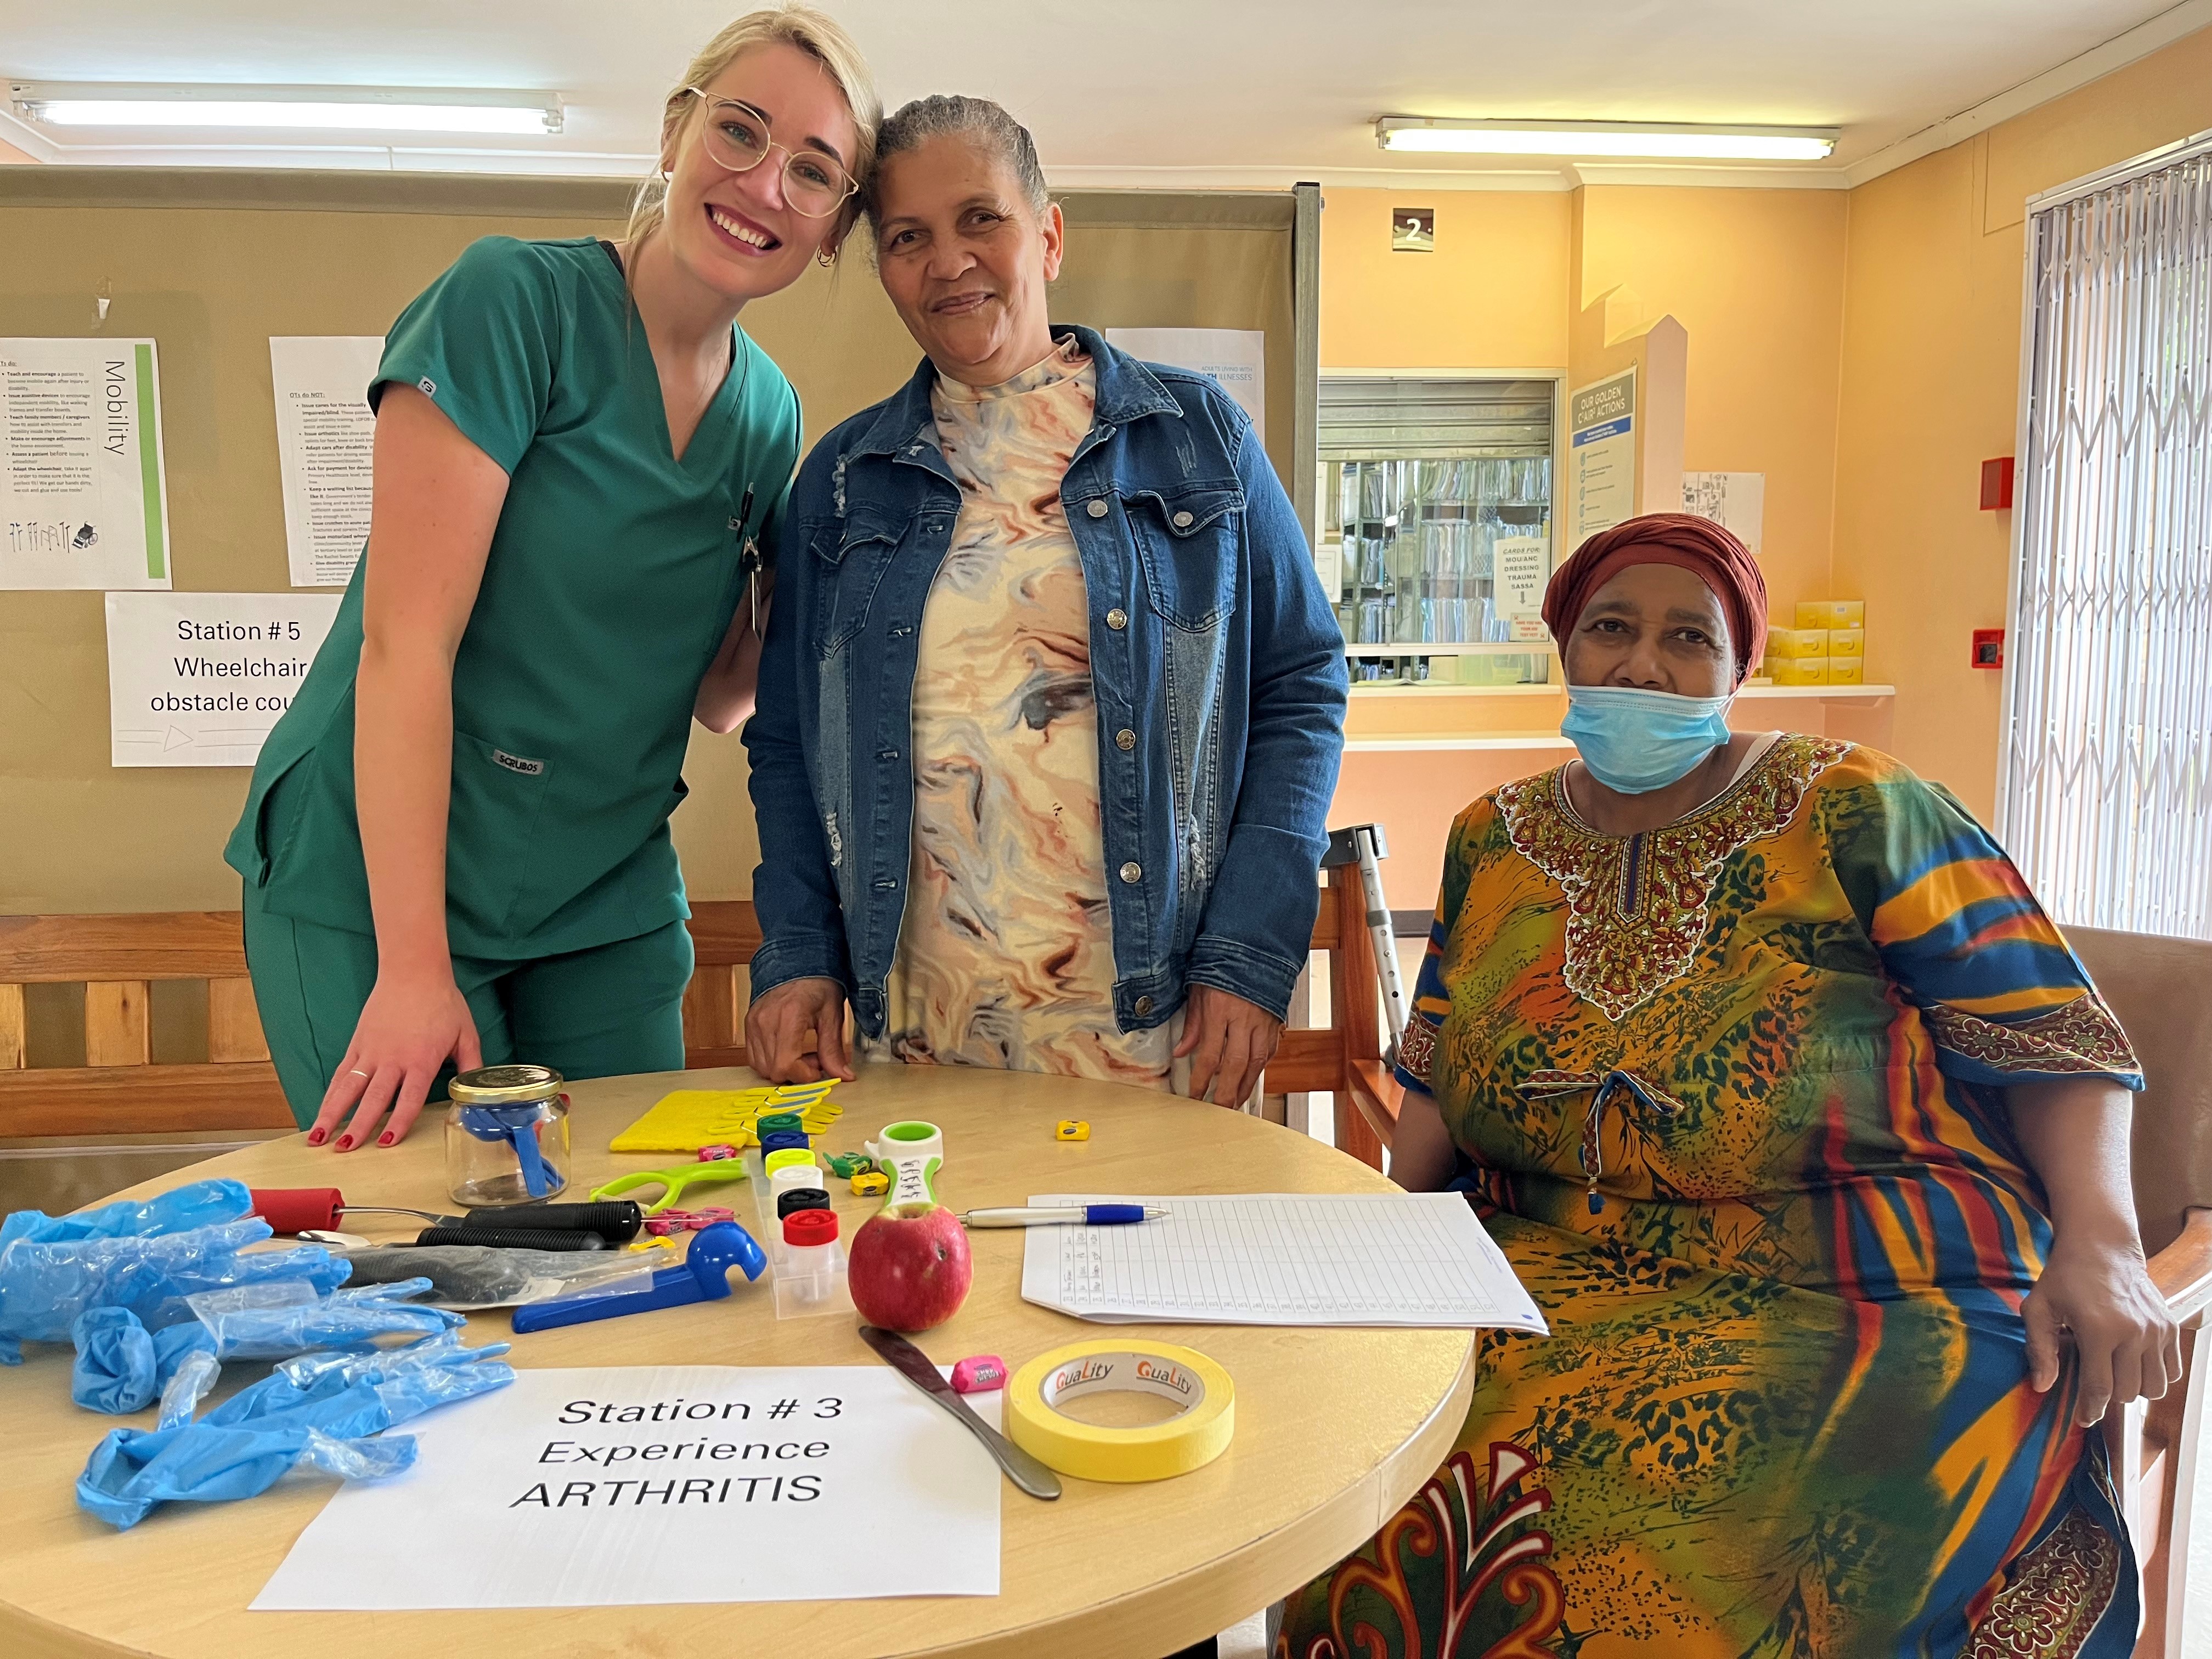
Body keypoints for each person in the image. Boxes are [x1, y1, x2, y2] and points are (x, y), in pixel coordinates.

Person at [1280, 515, 2177, 1658]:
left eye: (1687, 638)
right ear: (1564, 644)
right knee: (1372, 1483)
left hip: (1872, 1286)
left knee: (1684, 1545)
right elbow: (1440, 1075)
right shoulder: (1490, 837)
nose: (1643, 665)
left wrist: (2101, 1238)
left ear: (1738, 669)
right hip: (1543, 1275)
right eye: (1611, 627)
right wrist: (1377, 1246)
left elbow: (2047, 1026)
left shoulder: (1859, 804)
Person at [224, 8, 881, 1148]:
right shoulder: (511, 306)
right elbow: (403, 648)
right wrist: (415, 969)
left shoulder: (768, 415)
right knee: (446, 1236)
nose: (766, 184)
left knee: (637, 1215)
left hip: (602, 881)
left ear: (832, 231)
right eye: (741, 132)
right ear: (675, 134)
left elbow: (722, 698)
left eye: (815, 172)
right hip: (382, 883)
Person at [744, 95, 1347, 1108]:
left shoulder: (1198, 436)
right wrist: (799, 951)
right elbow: (788, 738)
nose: (948, 260)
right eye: (908, 237)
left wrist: (1247, 950)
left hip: (1154, 1029)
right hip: (916, 1040)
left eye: (982, 218)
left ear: (1049, 234)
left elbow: (1301, 688)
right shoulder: (844, 481)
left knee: (1151, 1268)